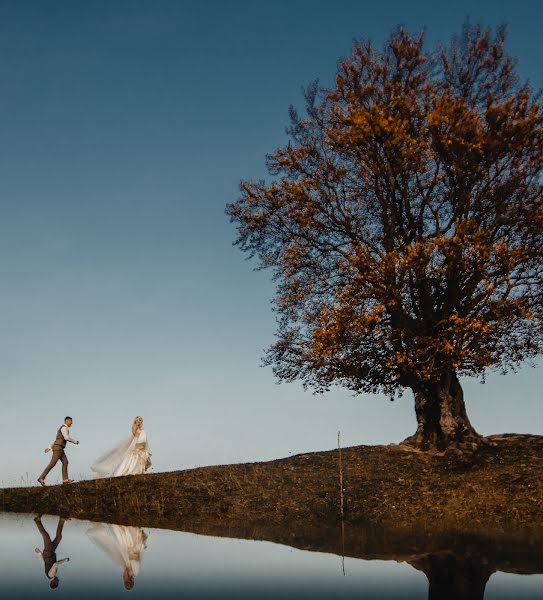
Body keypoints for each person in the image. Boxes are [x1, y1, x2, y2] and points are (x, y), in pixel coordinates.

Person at [86, 522, 148, 590]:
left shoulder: (124, 569)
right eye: (125, 579)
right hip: (130, 546)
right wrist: (129, 563)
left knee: (114, 535)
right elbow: (135, 556)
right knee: (119, 533)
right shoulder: (135, 571)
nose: (123, 577)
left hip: (125, 549)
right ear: (128, 579)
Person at [38, 416, 79, 486]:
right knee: (52, 463)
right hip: (58, 448)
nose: (71, 423)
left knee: (65, 462)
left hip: (60, 448)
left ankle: (65, 480)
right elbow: (66, 438)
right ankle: (41, 478)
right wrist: (75, 441)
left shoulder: (63, 428)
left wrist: (49, 447)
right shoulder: (64, 428)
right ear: (67, 421)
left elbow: (56, 439)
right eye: (71, 421)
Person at [34, 516, 70, 589]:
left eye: (57, 582)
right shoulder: (48, 575)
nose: (58, 580)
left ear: (54, 583)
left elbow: (55, 564)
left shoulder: (51, 575)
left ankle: (37, 521)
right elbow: (44, 563)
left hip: (49, 552)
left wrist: (65, 560)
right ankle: (62, 520)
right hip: (50, 552)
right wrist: (40, 554)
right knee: (58, 537)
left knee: (46, 536)